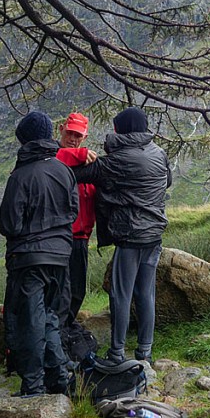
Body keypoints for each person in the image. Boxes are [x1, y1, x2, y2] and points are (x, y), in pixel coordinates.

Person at [73, 107, 171, 364]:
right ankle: (145, 353)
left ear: (121, 129)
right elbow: (167, 181)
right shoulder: (159, 153)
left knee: (121, 295)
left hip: (129, 236)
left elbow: (75, 175)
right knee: (146, 293)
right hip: (154, 235)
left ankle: (117, 353)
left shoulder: (115, 161)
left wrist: (77, 155)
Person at [0, 111, 78, 396]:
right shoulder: (63, 170)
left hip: (28, 259)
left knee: (30, 321)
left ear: (25, 140)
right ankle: (58, 378)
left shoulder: (20, 176)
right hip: (60, 256)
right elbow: (73, 212)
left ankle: (32, 385)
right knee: (50, 318)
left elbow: (9, 224)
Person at [54, 112, 97, 329]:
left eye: (78, 136)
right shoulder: (51, 154)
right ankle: (58, 333)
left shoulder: (89, 162)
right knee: (59, 290)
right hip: (58, 237)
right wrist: (78, 155)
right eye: (70, 133)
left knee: (77, 290)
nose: (73, 138)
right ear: (61, 129)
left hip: (81, 238)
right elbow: (54, 158)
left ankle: (65, 331)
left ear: (85, 137)